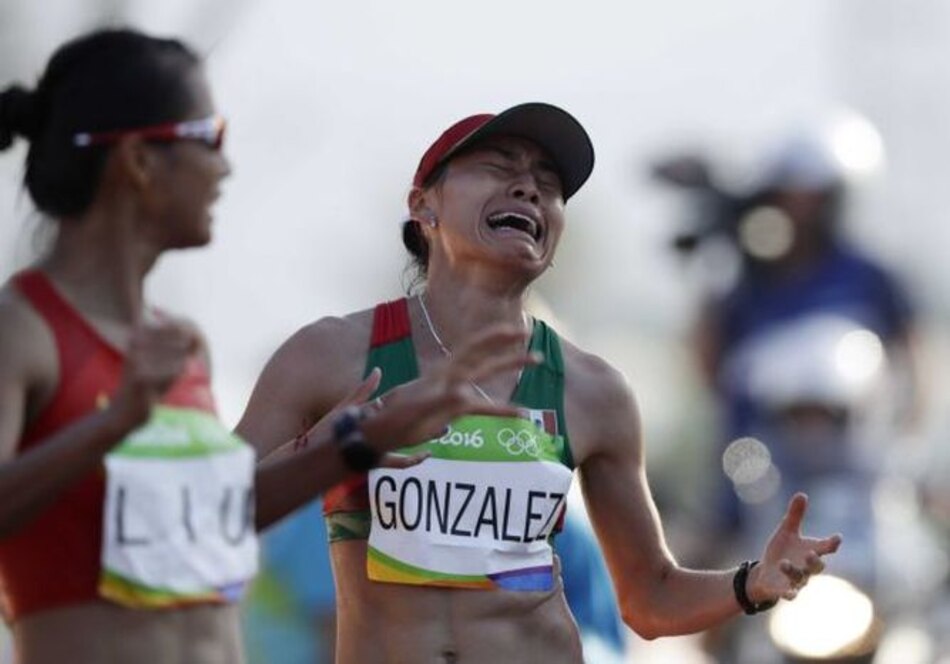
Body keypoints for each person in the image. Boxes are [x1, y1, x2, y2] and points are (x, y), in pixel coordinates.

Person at [0, 28, 536, 664]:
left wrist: (353, 444)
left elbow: (207, 522)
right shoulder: (23, 329)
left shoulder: (177, 345)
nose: (225, 168)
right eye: (212, 138)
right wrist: (112, 423)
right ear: (140, 161)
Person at [236, 102, 843, 664]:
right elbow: (206, 514)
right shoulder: (331, 355)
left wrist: (752, 583)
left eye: (548, 186)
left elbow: (650, 599)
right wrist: (332, 450)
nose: (529, 187)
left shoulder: (592, 389)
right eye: (499, 168)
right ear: (424, 206)